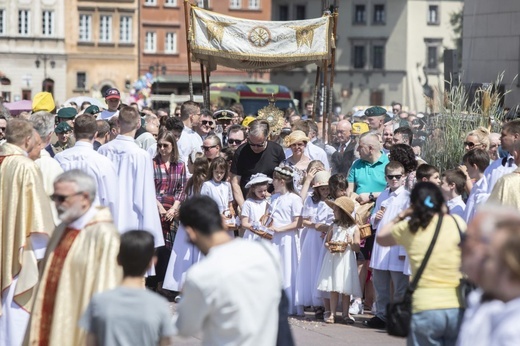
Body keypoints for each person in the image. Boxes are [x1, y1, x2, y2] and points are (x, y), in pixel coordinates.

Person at [24, 170, 122, 345]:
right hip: (52, 318)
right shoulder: (62, 228)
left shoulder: (104, 236)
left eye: (62, 198)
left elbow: (107, 292)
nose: (56, 204)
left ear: (84, 198)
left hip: (78, 327)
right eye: (55, 198)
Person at [172, 196, 282, 345]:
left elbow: (185, 327)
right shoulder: (268, 254)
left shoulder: (202, 274)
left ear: (191, 233)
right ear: (223, 221)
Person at [376, 182, 465, 346]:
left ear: (413, 204)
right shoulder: (457, 223)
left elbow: (381, 237)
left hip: (425, 306)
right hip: (457, 305)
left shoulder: (411, 227)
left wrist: (401, 215)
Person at [0, 119, 55, 346]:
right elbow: (39, 220)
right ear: (27, 139)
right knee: (15, 313)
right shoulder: (25, 166)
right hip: (18, 252)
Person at [79, 231, 174, 346]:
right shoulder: (159, 306)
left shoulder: (98, 302)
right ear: (152, 262)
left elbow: (89, 342)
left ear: (118, 259)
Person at [98, 106, 163, 247]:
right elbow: (146, 196)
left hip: (106, 217)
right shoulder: (141, 155)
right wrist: (153, 236)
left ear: (118, 123)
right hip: (132, 218)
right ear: (139, 124)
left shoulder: (103, 150)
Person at [365, 161, 410, 329]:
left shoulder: (407, 197)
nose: (394, 180)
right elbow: (374, 218)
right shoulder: (383, 195)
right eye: (391, 177)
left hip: (397, 245)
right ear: (386, 178)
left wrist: (404, 249)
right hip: (381, 245)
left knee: (399, 286)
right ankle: (382, 315)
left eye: (398, 177)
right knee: (380, 283)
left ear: (404, 177)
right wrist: (375, 218)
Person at [54, 114, 120, 225]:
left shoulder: (59, 158)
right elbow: (111, 200)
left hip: (66, 222)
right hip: (95, 224)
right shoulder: (104, 162)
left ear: (74, 134)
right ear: (95, 134)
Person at [162, 154, 209, 293]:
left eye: (189, 162)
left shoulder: (203, 183)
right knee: (184, 254)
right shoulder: (191, 181)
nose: (187, 165)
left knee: (188, 255)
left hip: (195, 222)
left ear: (194, 164)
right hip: (187, 221)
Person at [151, 130, 187, 294]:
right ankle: (155, 281)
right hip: (156, 205)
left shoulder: (179, 165)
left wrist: (174, 208)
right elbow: (148, 188)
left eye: (165, 145)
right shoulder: (152, 163)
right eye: (159, 145)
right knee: (156, 245)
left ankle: (166, 283)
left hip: (173, 206)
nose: (162, 149)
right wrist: (160, 207)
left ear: (173, 146)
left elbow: (182, 188)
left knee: (170, 245)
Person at [316, 196, 362, 324]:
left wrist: (351, 242)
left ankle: (346, 314)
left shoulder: (354, 228)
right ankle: (332, 313)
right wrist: (330, 246)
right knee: (334, 287)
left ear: (342, 212)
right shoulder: (333, 226)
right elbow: (327, 242)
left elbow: (357, 248)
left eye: (335, 210)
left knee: (345, 288)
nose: (333, 212)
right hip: (334, 258)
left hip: (346, 260)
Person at [295, 171, 334, 319]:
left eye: (327, 188)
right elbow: (303, 220)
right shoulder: (311, 201)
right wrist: (316, 225)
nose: (325, 191)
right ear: (316, 189)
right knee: (312, 268)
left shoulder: (333, 201)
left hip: (327, 236)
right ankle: (316, 303)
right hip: (313, 237)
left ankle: (326, 303)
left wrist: (327, 228)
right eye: (322, 188)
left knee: (323, 267)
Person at [267, 165, 303, 315]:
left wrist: (280, 229)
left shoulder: (294, 199)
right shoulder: (274, 198)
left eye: (274, 179)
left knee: (287, 268)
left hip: (287, 239)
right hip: (273, 238)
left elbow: (298, 223)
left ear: (281, 181)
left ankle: (288, 303)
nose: (272, 182)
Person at [230, 119, 286, 207]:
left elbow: (283, 179)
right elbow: (235, 182)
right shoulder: (241, 151)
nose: (255, 148)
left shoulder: (276, 150)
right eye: (251, 143)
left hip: (272, 202)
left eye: (260, 144)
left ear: (267, 137)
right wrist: (243, 206)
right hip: (247, 201)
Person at [201, 157, 235, 236]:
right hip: (214, 218)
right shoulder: (207, 185)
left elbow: (230, 203)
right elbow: (204, 205)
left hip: (227, 219)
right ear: (212, 171)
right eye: (216, 172)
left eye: (221, 172)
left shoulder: (227, 185)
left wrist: (231, 212)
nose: (219, 175)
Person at [240, 173, 272, 240]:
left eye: (265, 190)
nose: (263, 193)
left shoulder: (268, 202)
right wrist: (256, 227)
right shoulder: (248, 203)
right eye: (260, 191)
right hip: (252, 235)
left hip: (264, 235)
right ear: (253, 190)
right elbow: (244, 223)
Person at [462, 149, 490, 223]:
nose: (466, 170)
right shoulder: (475, 186)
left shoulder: (485, 188)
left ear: (474, 166)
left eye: (467, 167)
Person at [282, 130, 312, 194]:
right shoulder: (284, 164)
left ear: (305, 145)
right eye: (294, 145)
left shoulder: (311, 164)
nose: (297, 147)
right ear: (290, 146)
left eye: (300, 144)